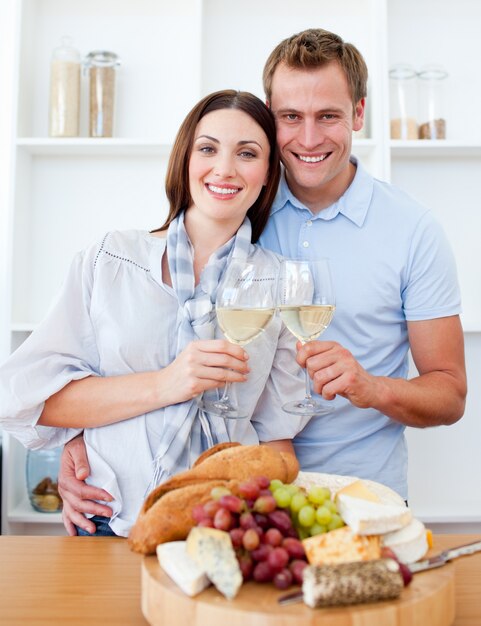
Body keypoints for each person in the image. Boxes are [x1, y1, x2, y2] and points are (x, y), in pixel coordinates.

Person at [52, 28, 467, 533]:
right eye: (291, 117)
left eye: (329, 116)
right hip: (244, 503)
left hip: (359, 495)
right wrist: (80, 443)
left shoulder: (413, 230)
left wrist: (372, 387)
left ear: (359, 114)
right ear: (271, 118)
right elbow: (134, 334)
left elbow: (450, 395)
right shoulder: (235, 204)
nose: (309, 138)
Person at [0, 90, 311, 536]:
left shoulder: (280, 284)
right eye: (208, 149)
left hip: (225, 527)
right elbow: (28, 396)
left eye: (247, 153)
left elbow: (279, 447)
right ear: (185, 160)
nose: (224, 168)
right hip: (108, 522)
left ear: (267, 176)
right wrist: (167, 384)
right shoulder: (110, 259)